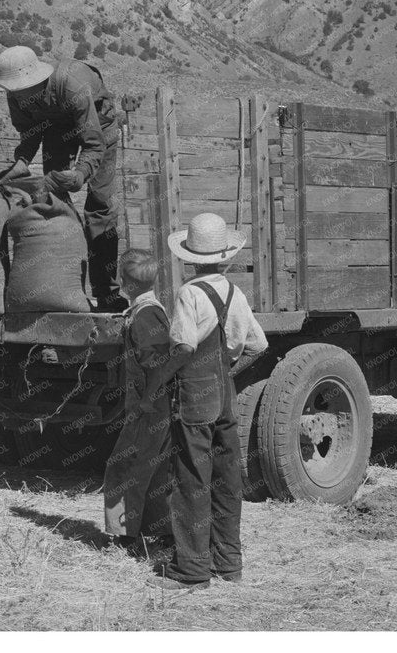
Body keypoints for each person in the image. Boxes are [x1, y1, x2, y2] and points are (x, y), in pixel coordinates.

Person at [150, 213, 268, 591]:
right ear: (224, 257)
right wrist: (228, 367)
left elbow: (184, 345)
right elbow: (258, 345)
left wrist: (159, 379)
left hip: (195, 395)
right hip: (225, 395)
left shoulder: (190, 293)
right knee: (226, 478)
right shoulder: (236, 293)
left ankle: (193, 570)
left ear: (190, 258)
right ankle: (229, 563)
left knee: (190, 480)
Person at [0, 45, 124, 310]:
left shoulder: (72, 84)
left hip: (99, 129)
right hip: (56, 130)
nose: (14, 92)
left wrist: (80, 174)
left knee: (100, 207)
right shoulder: (16, 94)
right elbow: (30, 132)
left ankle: (107, 293)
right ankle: (63, 290)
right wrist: (21, 162)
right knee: (54, 200)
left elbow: (94, 144)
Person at [103, 249, 178, 547]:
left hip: (149, 407)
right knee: (157, 469)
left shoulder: (145, 316)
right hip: (156, 406)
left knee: (123, 467)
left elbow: (157, 364)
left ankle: (125, 536)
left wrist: (147, 400)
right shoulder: (148, 310)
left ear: (127, 284)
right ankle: (164, 531)